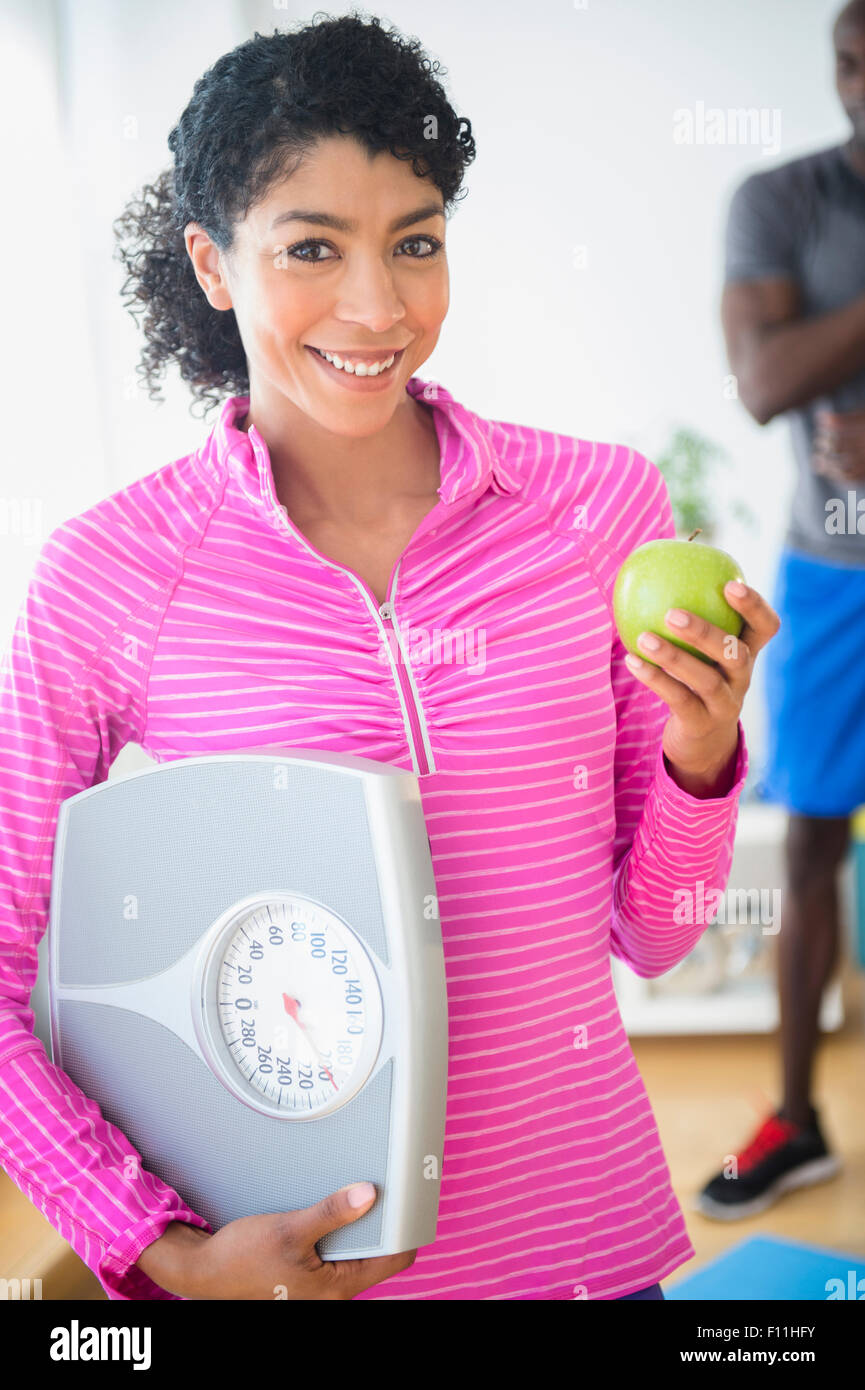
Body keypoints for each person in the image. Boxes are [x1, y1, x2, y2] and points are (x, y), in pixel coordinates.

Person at [0, 14, 778, 1301]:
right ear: (212, 264)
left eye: (415, 242)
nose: (379, 305)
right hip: (306, 1272)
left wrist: (701, 753)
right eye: (312, 248)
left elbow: (652, 937)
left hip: (590, 1254)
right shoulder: (112, 572)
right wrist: (166, 1250)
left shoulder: (593, 510)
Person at [697, 0, 865, 1221]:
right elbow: (762, 383)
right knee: (811, 839)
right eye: (849, 64)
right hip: (830, 577)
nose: (860, 87)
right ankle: (798, 1120)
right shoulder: (780, 201)